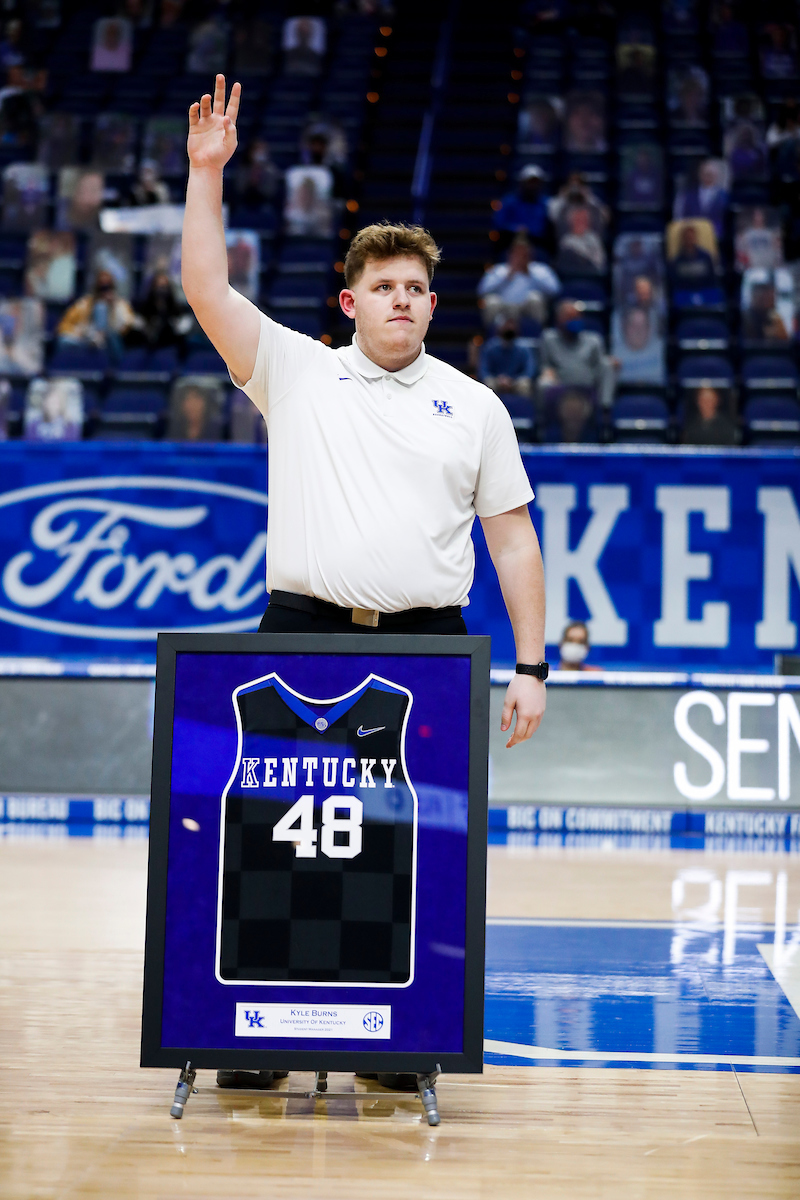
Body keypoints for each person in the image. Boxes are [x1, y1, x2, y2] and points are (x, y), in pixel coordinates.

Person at [182, 75, 548, 1091]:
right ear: (350, 302)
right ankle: (254, 1040)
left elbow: (512, 541)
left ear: (433, 302)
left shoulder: (474, 408)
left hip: (428, 641)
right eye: (380, 286)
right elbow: (207, 291)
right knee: (271, 837)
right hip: (298, 629)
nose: (398, 299)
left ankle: (394, 1036)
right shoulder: (294, 371)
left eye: (413, 287)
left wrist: (530, 664)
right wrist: (205, 176)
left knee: (409, 849)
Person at [57, 269, 140, 362]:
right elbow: (64, 325)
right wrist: (78, 333)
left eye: (107, 287)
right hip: (86, 339)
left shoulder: (121, 304)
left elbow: (128, 325)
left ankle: (113, 364)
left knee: (102, 309)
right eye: (102, 288)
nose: (104, 292)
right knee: (64, 341)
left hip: (110, 342)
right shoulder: (84, 303)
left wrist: (113, 306)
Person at [477, 237, 560, 327]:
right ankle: (491, 333)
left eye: (524, 254)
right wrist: (507, 276)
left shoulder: (540, 270)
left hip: (526, 308)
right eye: (517, 253)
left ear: (530, 255)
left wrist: (529, 273)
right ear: (510, 255)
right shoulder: (498, 270)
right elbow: (481, 291)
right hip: (504, 307)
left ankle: (537, 332)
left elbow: (555, 290)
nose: (520, 257)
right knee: (491, 302)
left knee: (535, 298)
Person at [538, 300, 609, 397]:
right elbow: (546, 365)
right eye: (570, 317)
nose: (575, 320)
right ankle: (545, 412)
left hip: (588, 383)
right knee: (543, 382)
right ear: (559, 319)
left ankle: (605, 409)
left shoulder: (594, 340)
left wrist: (609, 361)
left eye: (577, 317)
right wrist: (549, 373)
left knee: (607, 364)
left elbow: (600, 365)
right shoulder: (549, 339)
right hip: (559, 383)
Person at [492, 165, 551, 251]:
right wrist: (516, 229)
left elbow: (545, 229)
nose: (533, 186)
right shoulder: (509, 201)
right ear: (522, 182)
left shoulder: (546, 203)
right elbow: (499, 223)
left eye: (536, 182)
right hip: (510, 244)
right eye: (530, 182)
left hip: (537, 246)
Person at [672, 160, 729, 238]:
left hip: (716, 237)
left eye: (710, 174)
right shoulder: (688, 194)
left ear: (716, 175)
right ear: (700, 174)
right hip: (692, 237)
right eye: (706, 174)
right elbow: (679, 217)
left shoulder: (725, 196)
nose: (708, 177)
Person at [480, 320, 535, 396]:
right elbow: (483, 370)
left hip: (516, 381)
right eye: (506, 327)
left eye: (511, 328)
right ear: (500, 329)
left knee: (524, 384)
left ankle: (522, 407)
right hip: (497, 380)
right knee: (488, 384)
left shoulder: (524, 349)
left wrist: (512, 379)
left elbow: (529, 370)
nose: (509, 329)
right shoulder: (490, 347)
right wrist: (499, 379)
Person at [137, 270, 184, 350]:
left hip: (170, 345)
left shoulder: (175, 308)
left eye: (164, 287)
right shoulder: (145, 307)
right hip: (149, 347)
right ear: (153, 287)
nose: (161, 291)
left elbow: (178, 329)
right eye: (159, 287)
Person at [556, 205, 606, 274]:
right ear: (571, 222)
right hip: (574, 276)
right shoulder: (566, 241)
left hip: (592, 275)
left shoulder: (594, 238)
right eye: (578, 219)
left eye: (584, 219)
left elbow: (600, 263)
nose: (581, 223)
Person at [668, 223, 717, 289]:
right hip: (684, 293)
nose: (689, 240)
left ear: (695, 238)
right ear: (683, 239)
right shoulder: (677, 261)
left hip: (704, 291)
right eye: (687, 237)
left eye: (691, 237)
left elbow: (711, 278)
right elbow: (675, 282)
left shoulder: (706, 257)